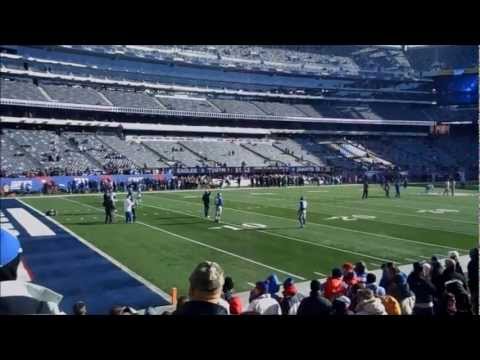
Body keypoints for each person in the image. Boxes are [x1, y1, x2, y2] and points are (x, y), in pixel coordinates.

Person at [467, 248, 479, 314]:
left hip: (474, 288)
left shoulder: (471, 263)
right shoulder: (471, 263)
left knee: (475, 305)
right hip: (474, 287)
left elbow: (471, 277)